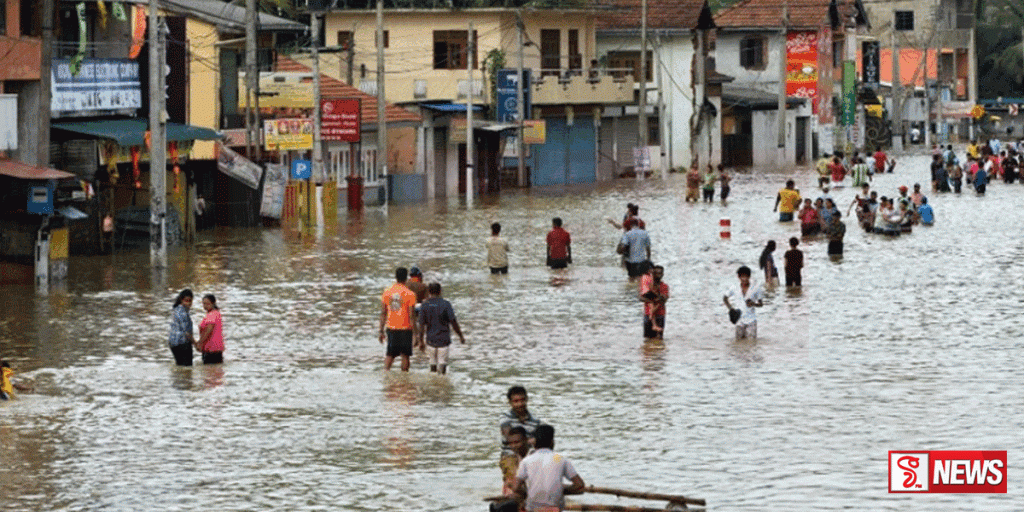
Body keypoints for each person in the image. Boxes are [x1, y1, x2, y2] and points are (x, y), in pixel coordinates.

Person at [514, 424, 585, 512]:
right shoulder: (560, 458)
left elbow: (515, 488)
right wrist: (561, 490)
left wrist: (528, 492)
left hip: (532, 508)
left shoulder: (526, 461)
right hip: (555, 508)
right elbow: (579, 485)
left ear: (535, 443)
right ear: (552, 442)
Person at [417, 282, 465, 375]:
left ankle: (433, 381)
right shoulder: (446, 304)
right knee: (442, 362)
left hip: (430, 340)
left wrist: (420, 341)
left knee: (432, 362)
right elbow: (453, 322)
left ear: (429, 292)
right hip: (443, 339)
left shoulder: (424, 305)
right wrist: (460, 336)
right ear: (440, 291)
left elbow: (421, 325)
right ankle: (441, 379)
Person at [378, 267, 417, 372]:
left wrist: (381, 331)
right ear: (406, 278)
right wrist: (416, 334)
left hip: (391, 327)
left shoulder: (387, 292)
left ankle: (385, 374)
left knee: (390, 354)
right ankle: (404, 377)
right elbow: (412, 315)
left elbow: (383, 313)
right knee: (405, 355)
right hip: (406, 328)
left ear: (396, 277)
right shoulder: (410, 294)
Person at [723, 266, 764, 340]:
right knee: (738, 342)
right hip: (739, 320)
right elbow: (725, 298)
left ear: (749, 276)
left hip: (751, 320)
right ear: (739, 277)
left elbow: (761, 304)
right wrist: (731, 309)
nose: (744, 279)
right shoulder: (734, 287)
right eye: (742, 277)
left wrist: (753, 304)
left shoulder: (756, 288)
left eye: (746, 276)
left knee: (751, 343)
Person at [500, 386, 543, 456]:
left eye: (522, 400)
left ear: (527, 400)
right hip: (509, 455)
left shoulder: (535, 420)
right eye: (516, 401)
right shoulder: (505, 417)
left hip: (529, 455)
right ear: (510, 402)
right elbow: (510, 438)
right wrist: (531, 440)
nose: (520, 404)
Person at [499, 426, 532, 497]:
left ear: (526, 440)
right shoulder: (511, 459)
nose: (513, 446)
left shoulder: (534, 458)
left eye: (517, 442)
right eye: (511, 443)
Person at [639, 265, 668, 339]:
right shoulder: (648, 285)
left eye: (660, 273)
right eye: (656, 273)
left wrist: (655, 297)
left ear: (663, 274)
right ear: (653, 274)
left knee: (659, 338)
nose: (658, 275)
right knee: (647, 338)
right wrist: (653, 299)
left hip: (660, 315)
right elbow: (640, 298)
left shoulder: (664, 286)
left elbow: (664, 299)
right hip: (648, 314)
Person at [168, 289, 196, 366]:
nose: (189, 303)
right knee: (187, 368)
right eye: (186, 300)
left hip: (173, 344)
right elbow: (187, 332)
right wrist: (196, 344)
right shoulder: (183, 312)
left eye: (190, 301)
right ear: (181, 300)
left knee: (180, 367)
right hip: (182, 344)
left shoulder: (176, 309)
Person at [197, 294, 224, 364]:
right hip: (215, 349)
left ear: (213, 303)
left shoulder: (212, 314)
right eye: (204, 303)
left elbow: (209, 329)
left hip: (211, 349)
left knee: (209, 372)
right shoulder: (215, 313)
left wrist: (200, 342)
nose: (205, 306)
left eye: (207, 304)